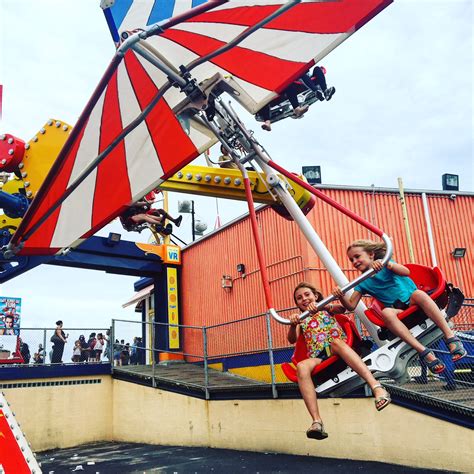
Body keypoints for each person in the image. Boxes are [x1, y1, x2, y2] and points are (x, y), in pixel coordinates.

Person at [333, 239, 467, 374]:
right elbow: (351, 305)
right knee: (386, 312)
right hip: (400, 310)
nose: (355, 262)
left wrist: (389, 265)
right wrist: (340, 296)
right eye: (351, 260)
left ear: (371, 255)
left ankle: (450, 337)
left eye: (357, 257)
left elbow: (406, 272)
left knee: (419, 294)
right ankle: (423, 352)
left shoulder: (386, 264)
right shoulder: (362, 283)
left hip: (414, 300)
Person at [288, 282, 391, 440]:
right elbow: (292, 339)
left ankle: (377, 388)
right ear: (297, 304)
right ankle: (316, 421)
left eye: (307, 295)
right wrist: (292, 323)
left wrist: (323, 306)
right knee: (302, 366)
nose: (304, 299)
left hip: (338, 346)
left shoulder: (326, 308)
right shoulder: (301, 320)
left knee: (336, 343)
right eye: (299, 298)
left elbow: (341, 309)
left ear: (315, 296)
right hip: (318, 356)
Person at [259, 65, 336, 132]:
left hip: (305, 81)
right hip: (293, 83)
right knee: (288, 84)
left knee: (317, 69)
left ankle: (325, 91)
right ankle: (268, 122)